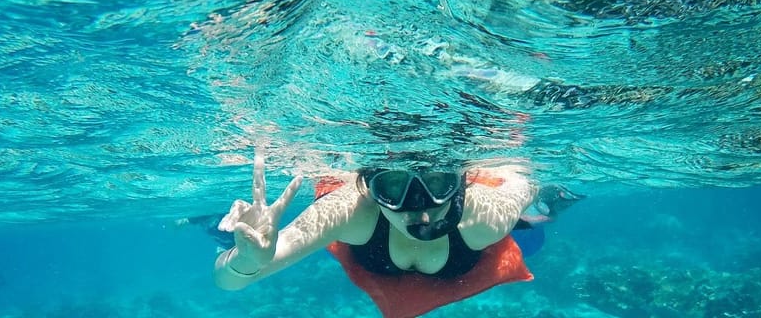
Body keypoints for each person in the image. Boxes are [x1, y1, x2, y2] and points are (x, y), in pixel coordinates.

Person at [213, 149, 538, 318]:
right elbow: (229, 281)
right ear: (370, 189)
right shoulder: (351, 210)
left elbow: (523, 186)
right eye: (394, 187)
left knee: (534, 219)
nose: (420, 210)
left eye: (438, 182)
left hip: (461, 246)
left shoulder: (484, 217)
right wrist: (249, 259)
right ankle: (217, 228)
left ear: (460, 184)